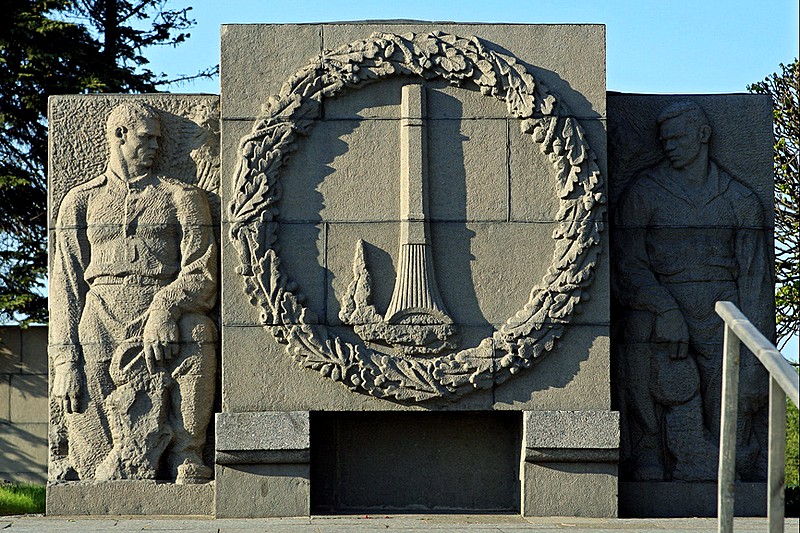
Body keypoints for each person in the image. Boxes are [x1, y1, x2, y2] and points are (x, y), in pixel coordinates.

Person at [51, 102, 217, 484]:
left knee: (199, 333)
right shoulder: (80, 201)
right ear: (119, 135)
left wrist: (166, 307)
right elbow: (66, 284)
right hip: (100, 317)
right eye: (146, 137)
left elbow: (202, 270)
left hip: (162, 310)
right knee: (97, 465)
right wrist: (65, 363)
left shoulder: (182, 197)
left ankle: (186, 452)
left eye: (159, 138)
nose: (156, 146)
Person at [613, 101, 771, 481]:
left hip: (722, 312)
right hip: (661, 308)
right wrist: (663, 307)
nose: (668, 145)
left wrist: (755, 359)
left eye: (678, 137)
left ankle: (721, 459)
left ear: (703, 135)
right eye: (664, 139)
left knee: (730, 416)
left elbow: (756, 280)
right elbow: (628, 263)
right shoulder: (645, 192)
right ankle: (650, 445)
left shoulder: (740, 200)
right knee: (640, 337)